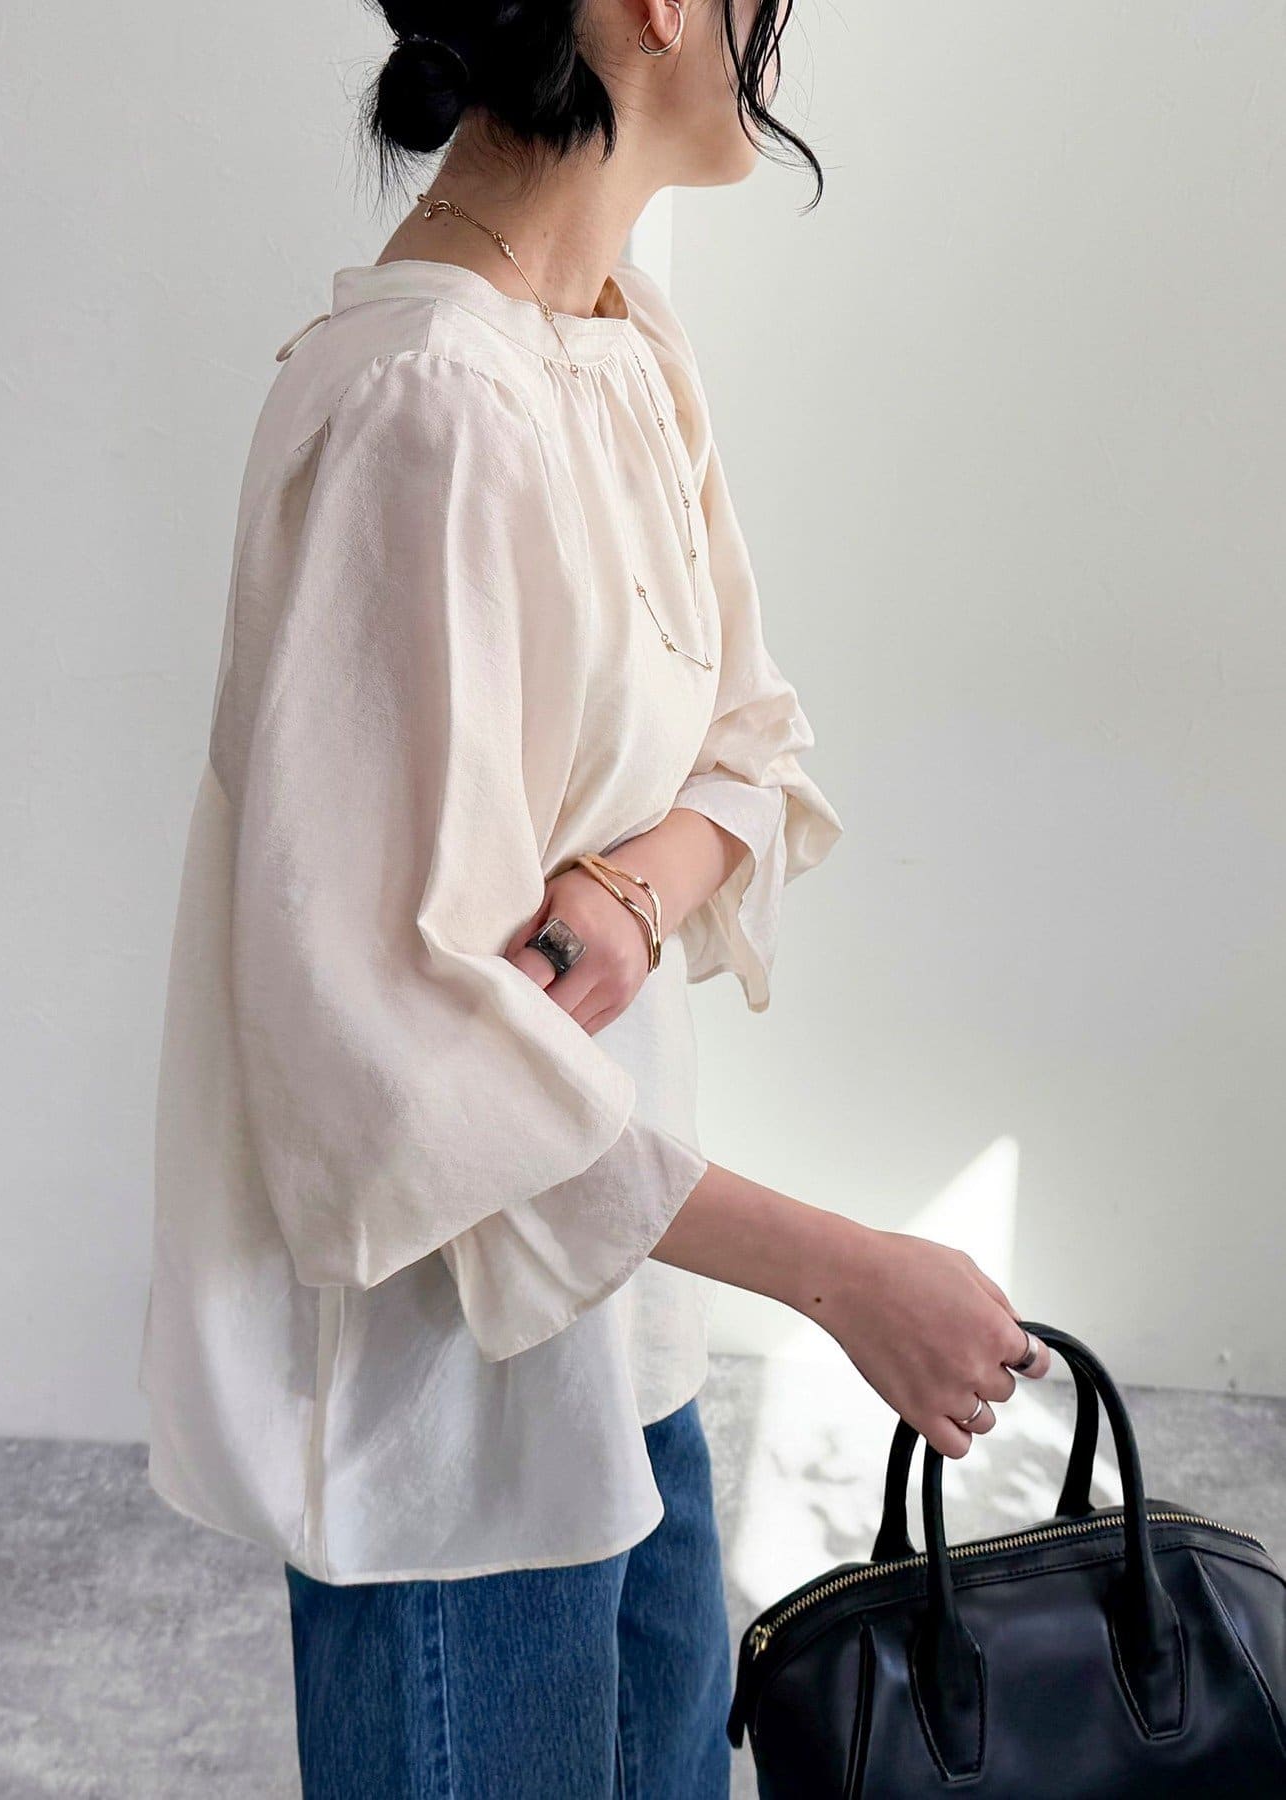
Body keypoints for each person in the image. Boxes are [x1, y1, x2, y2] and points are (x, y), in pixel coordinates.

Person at [138, 1, 1054, 1793]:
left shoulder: (613, 343)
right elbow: (397, 1060)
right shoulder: (426, 408)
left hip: (622, 1350)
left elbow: (755, 743)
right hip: (451, 1434)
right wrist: (844, 1278)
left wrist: (632, 889)